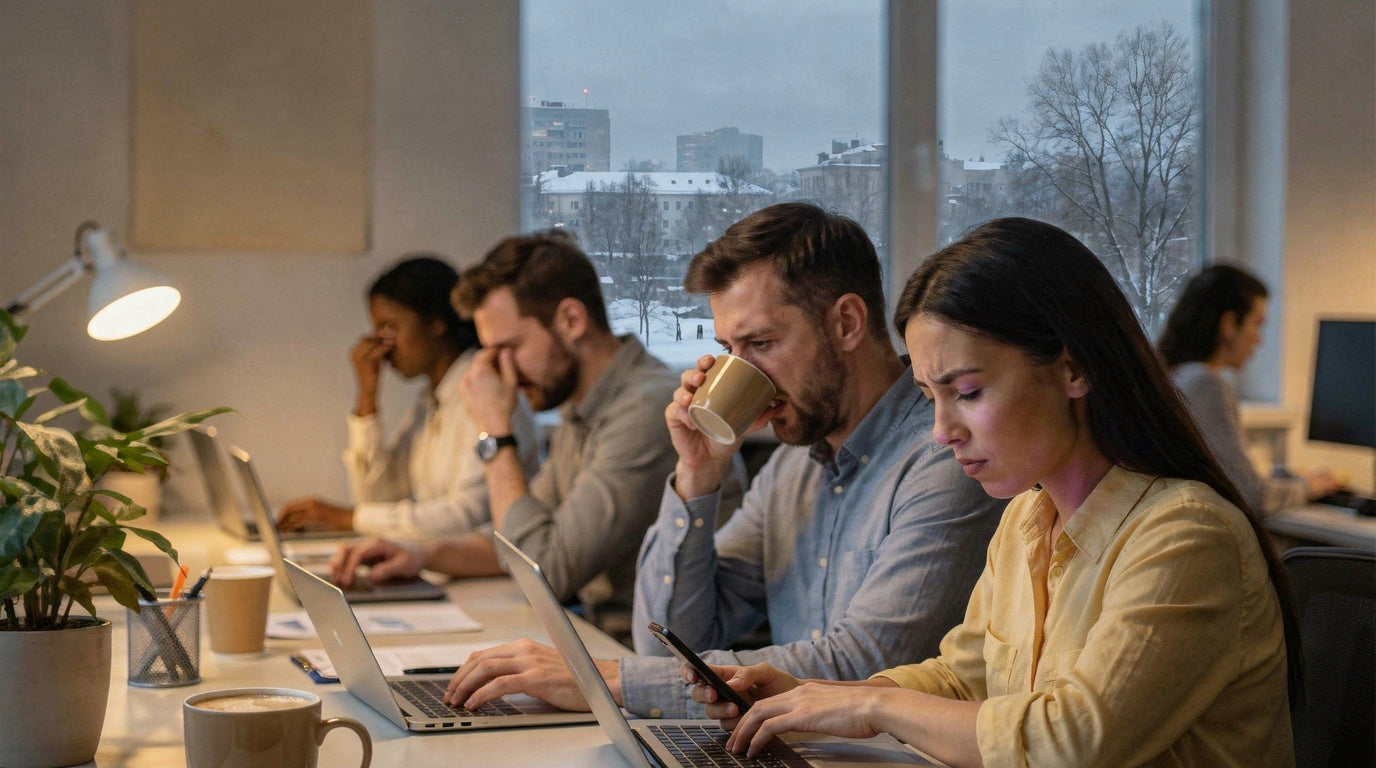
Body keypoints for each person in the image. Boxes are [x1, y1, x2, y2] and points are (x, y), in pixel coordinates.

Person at [692, 218, 1298, 767]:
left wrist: (875, 709)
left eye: (969, 393)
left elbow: (1074, 742)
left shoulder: (1187, 535)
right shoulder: (1027, 519)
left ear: (1073, 369)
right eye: (931, 399)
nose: (942, 433)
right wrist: (819, 698)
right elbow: (962, 679)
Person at [443, 202, 1004, 718]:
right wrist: (696, 475)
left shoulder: (948, 455)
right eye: (729, 350)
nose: (741, 374)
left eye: (760, 344)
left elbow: (864, 667)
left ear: (848, 323)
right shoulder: (793, 467)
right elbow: (668, 636)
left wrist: (602, 681)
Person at [330, 231, 732, 627]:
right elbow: (517, 541)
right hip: (603, 637)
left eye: (509, 347)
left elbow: (545, 573)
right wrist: (420, 554)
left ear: (571, 320)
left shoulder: (647, 408)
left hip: (665, 660)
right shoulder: (583, 407)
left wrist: (496, 431)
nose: (502, 370)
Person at [275, 255, 539, 538]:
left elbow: (469, 517)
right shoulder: (430, 402)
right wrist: (367, 395)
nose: (380, 345)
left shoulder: (487, 392)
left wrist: (348, 518)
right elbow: (377, 499)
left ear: (436, 322)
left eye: (389, 328)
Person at [1159, 264, 1341, 514]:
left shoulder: (1174, 376)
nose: (1259, 339)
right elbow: (1252, 496)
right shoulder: (1205, 385)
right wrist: (1312, 486)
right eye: (1257, 324)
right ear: (1229, 324)